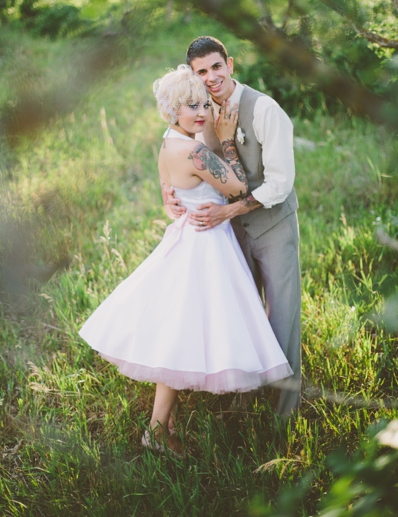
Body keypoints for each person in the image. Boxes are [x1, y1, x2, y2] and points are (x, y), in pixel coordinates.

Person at [80, 66, 292, 455]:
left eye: (203, 104)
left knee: (181, 333)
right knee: (188, 334)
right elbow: (240, 187)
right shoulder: (196, 151)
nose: (201, 113)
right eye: (190, 106)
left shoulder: (167, 143)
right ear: (171, 111)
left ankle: (162, 423)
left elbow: (169, 188)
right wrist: (225, 140)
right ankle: (159, 429)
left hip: (187, 239)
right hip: (205, 246)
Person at [166, 36, 301, 416]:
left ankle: (284, 413)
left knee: (282, 318)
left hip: (271, 223)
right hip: (225, 233)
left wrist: (228, 211)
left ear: (230, 64)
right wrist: (168, 192)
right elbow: (175, 150)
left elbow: (280, 183)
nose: (211, 78)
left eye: (216, 67)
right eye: (201, 72)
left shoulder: (265, 109)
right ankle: (243, 401)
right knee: (240, 313)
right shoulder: (197, 111)